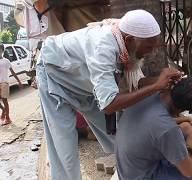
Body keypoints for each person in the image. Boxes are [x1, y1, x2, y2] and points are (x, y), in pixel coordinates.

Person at [37, 10, 182, 180]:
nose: (150, 52)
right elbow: (109, 104)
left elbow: (137, 83)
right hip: (54, 78)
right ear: (130, 40)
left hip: (84, 85)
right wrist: (157, 85)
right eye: (148, 47)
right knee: (64, 150)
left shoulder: (127, 40)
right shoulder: (103, 47)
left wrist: (164, 80)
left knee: (123, 134)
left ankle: (127, 173)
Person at [116, 72, 192, 180]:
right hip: (145, 175)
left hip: (132, 168)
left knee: (186, 127)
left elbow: (155, 123)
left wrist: (187, 119)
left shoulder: (150, 95)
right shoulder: (167, 129)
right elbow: (189, 172)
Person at [0, 43, 23, 125]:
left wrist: (19, 81)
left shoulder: (6, 61)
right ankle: (3, 110)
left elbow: (12, 72)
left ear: (2, 50)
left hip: (4, 82)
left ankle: (8, 118)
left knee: (4, 100)